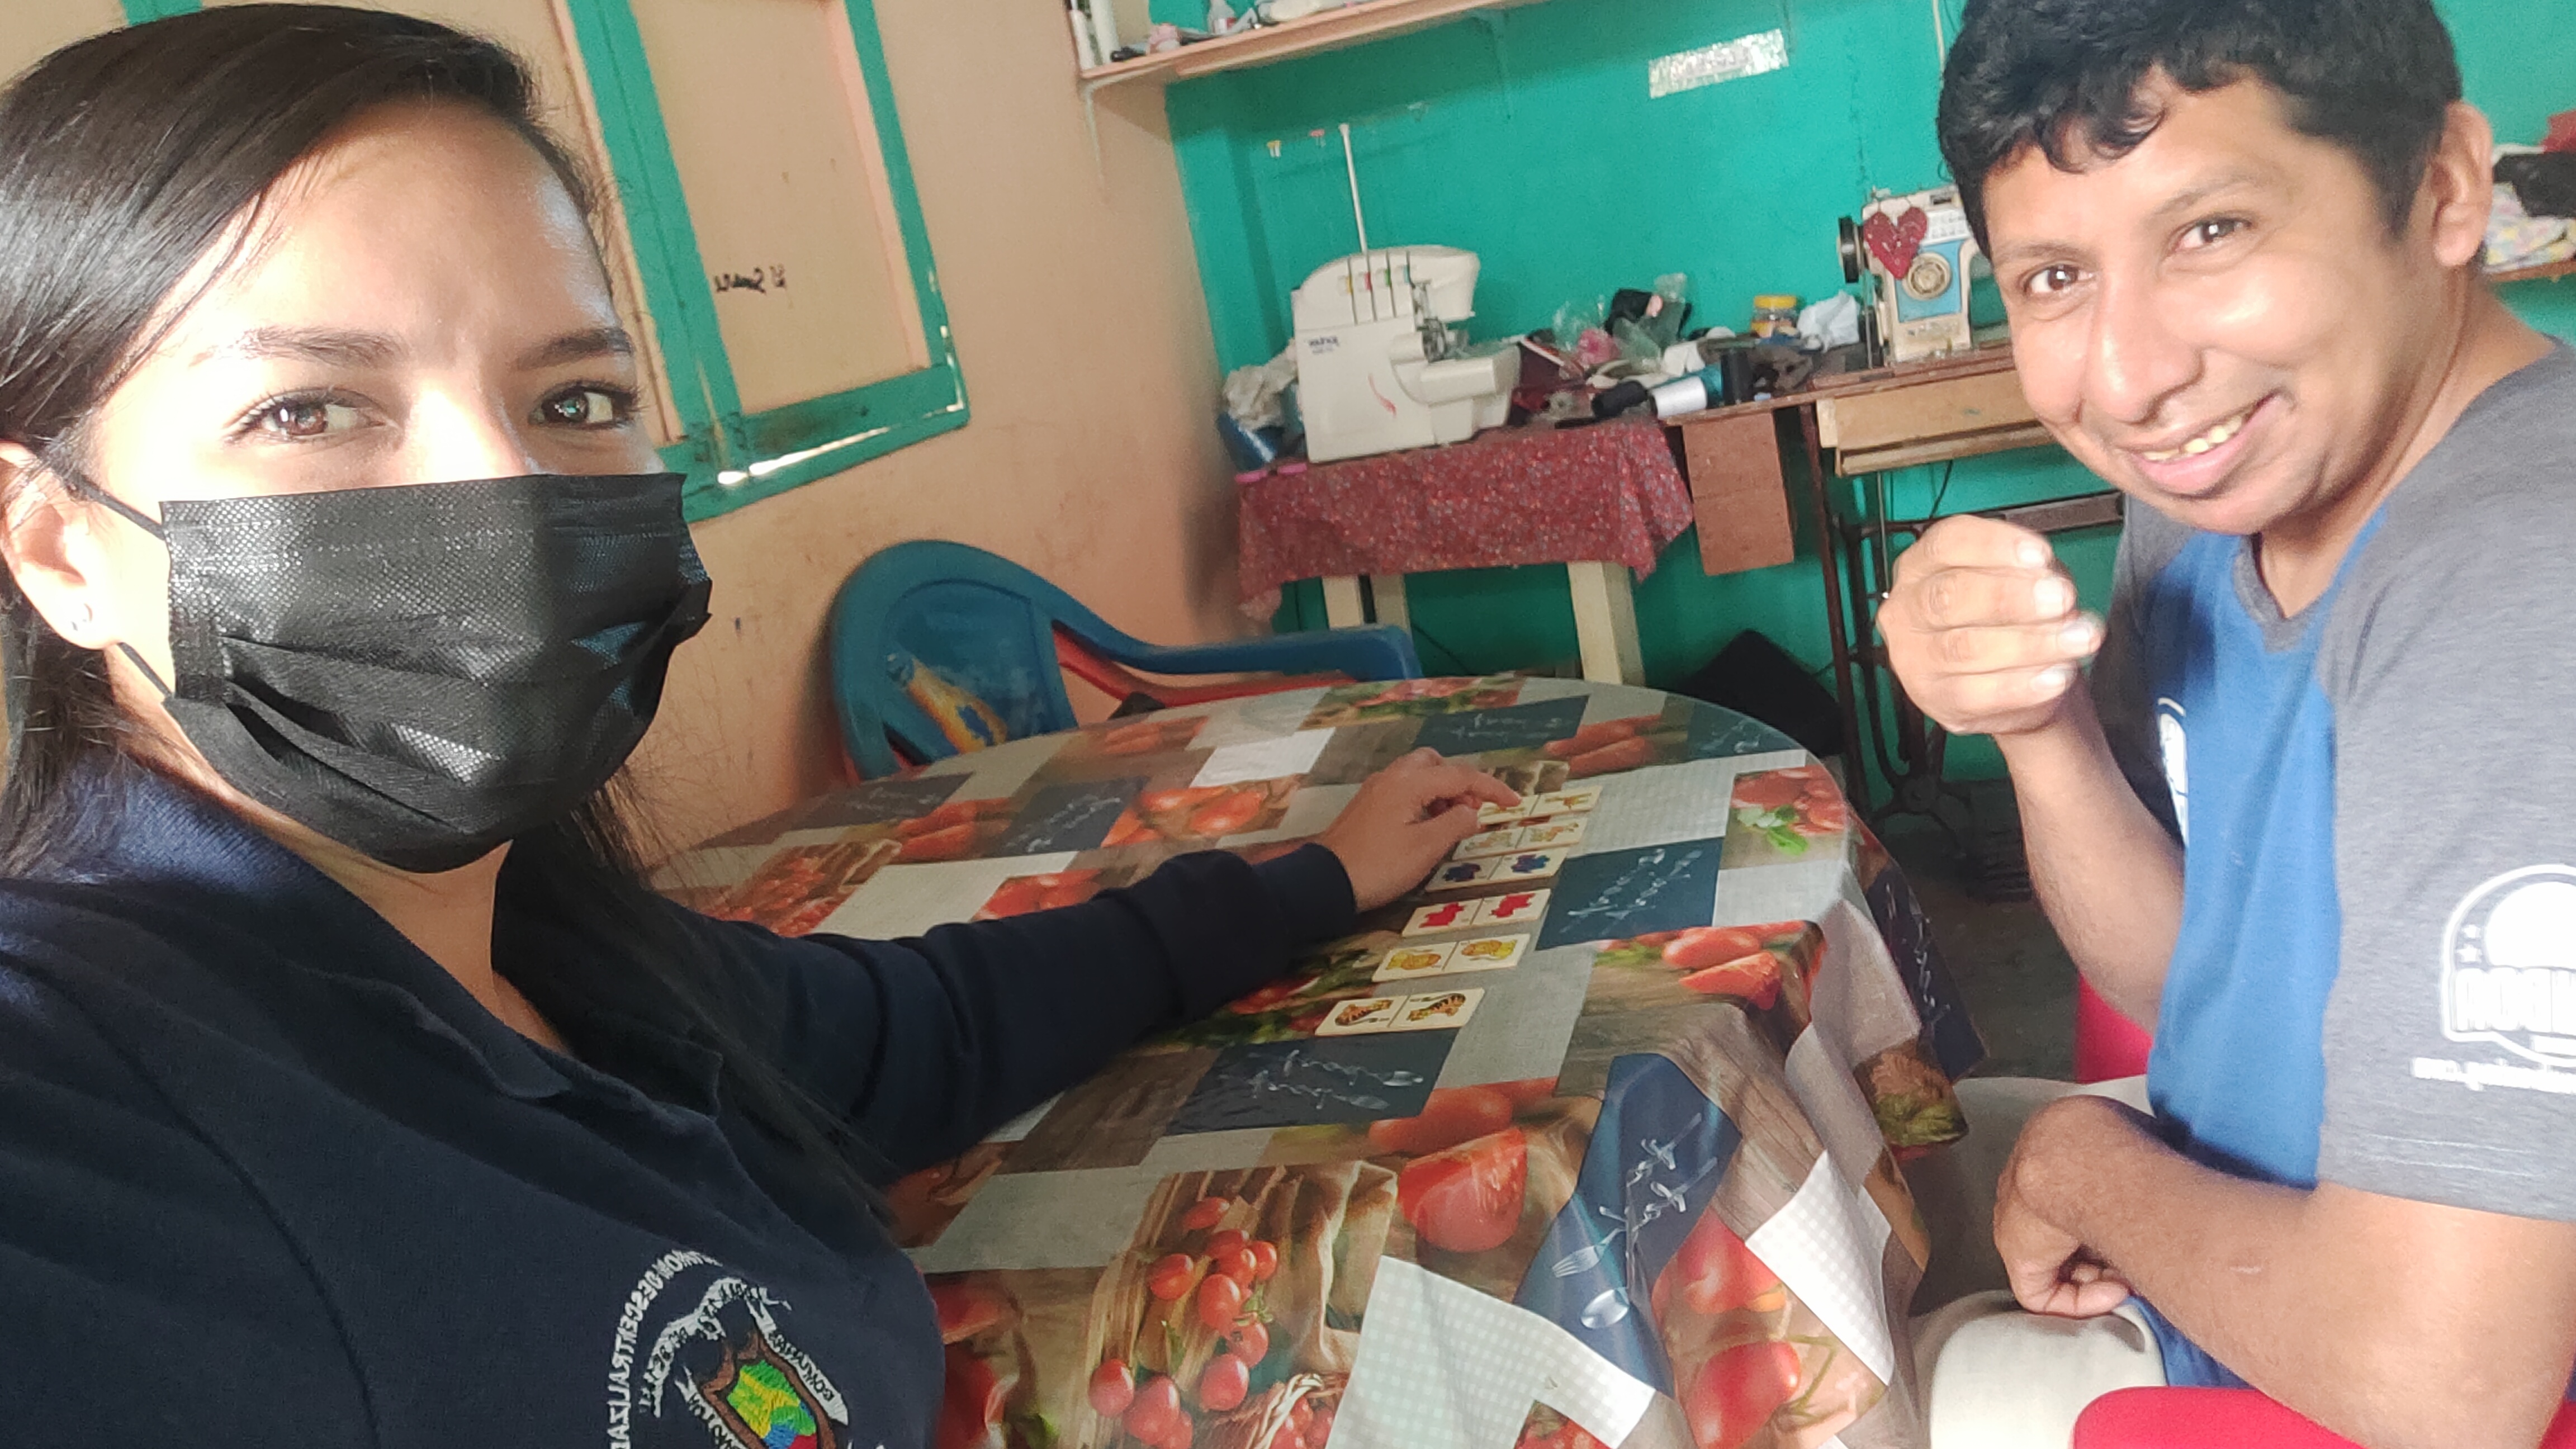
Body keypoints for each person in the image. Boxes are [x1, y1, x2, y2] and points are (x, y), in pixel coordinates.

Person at [0, 8, 1516, 1443]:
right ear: (59, 546)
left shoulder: (563, 953)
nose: (506, 499)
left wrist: (1313, 879)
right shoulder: (88, 1104)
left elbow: (926, 1030)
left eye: (577, 400)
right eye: (309, 411)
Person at [1881, 0, 2576, 1445]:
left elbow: (2448, 1380)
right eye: (2056, 276)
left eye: (2211, 232)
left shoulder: (2520, 581)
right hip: (2245, 1258)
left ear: (2445, 189)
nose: (2130, 377)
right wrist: (2037, 725)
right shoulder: (2215, 492)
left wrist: (2082, 1165)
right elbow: (2187, 969)